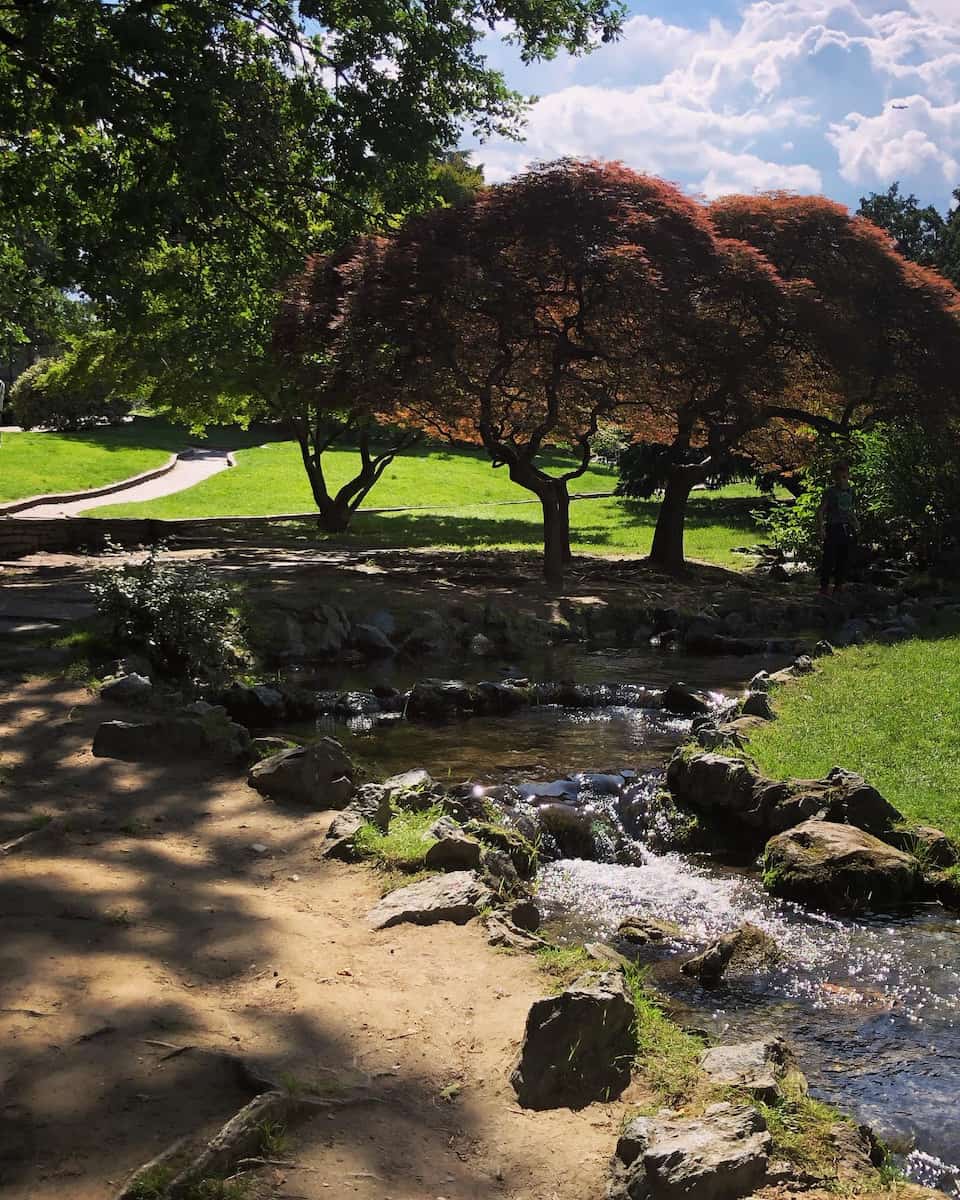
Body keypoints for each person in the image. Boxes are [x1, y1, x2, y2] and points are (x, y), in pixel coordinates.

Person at [817, 461, 858, 596]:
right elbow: (821, 510)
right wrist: (821, 528)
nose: (842, 479)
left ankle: (839, 585)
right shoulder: (830, 492)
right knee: (829, 557)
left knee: (844, 557)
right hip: (833, 526)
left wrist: (855, 521)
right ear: (834, 478)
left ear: (848, 476)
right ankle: (824, 586)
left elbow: (849, 509)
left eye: (844, 476)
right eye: (838, 477)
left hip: (846, 526)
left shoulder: (851, 491)